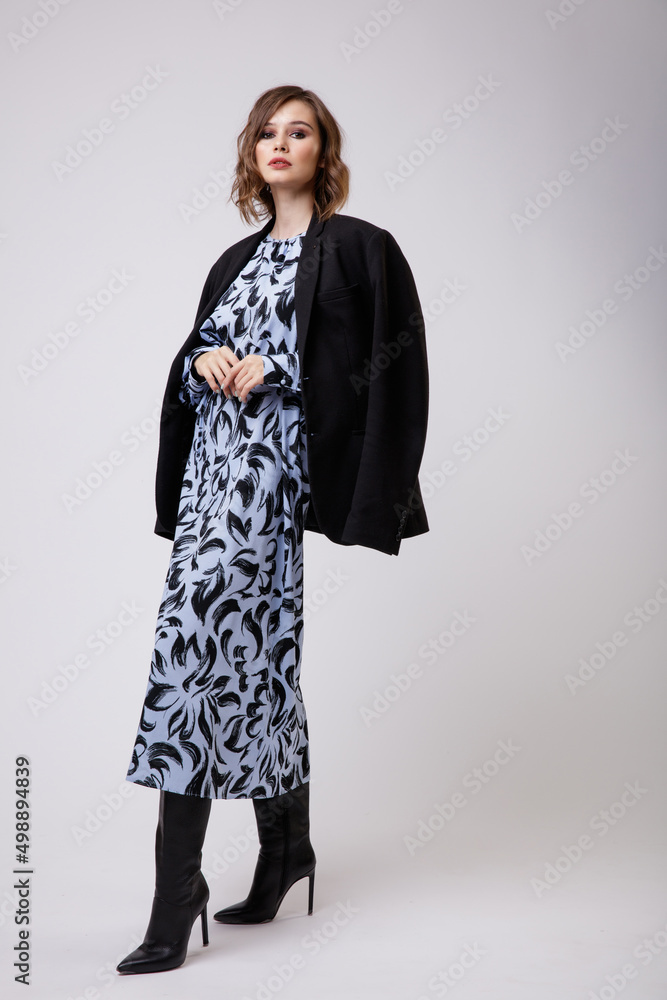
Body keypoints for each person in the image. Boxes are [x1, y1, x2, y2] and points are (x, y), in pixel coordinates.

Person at [116, 84, 429, 976]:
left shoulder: (362, 250)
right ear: (251, 152)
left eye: (299, 132)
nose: (279, 143)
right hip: (213, 480)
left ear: (323, 152)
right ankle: (287, 850)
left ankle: (175, 897)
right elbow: (191, 367)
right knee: (254, 665)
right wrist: (200, 362)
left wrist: (280, 368)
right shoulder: (232, 260)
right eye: (266, 132)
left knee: (191, 658)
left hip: (271, 489)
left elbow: (391, 364)